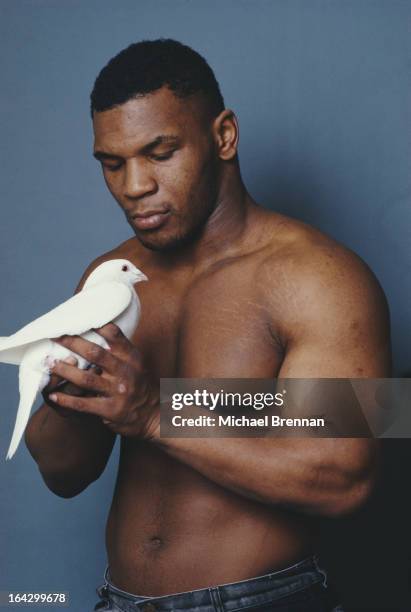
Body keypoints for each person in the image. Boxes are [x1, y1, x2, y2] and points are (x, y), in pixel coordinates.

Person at [24, 39, 391, 611]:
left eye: (160, 153)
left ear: (223, 136)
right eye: (113, 164)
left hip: (268, 600)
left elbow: (344, 479)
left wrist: (153, 412)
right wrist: (71, 395)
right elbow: (64, 474)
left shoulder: (325, 277)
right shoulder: (111, 276)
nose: (135, 186)